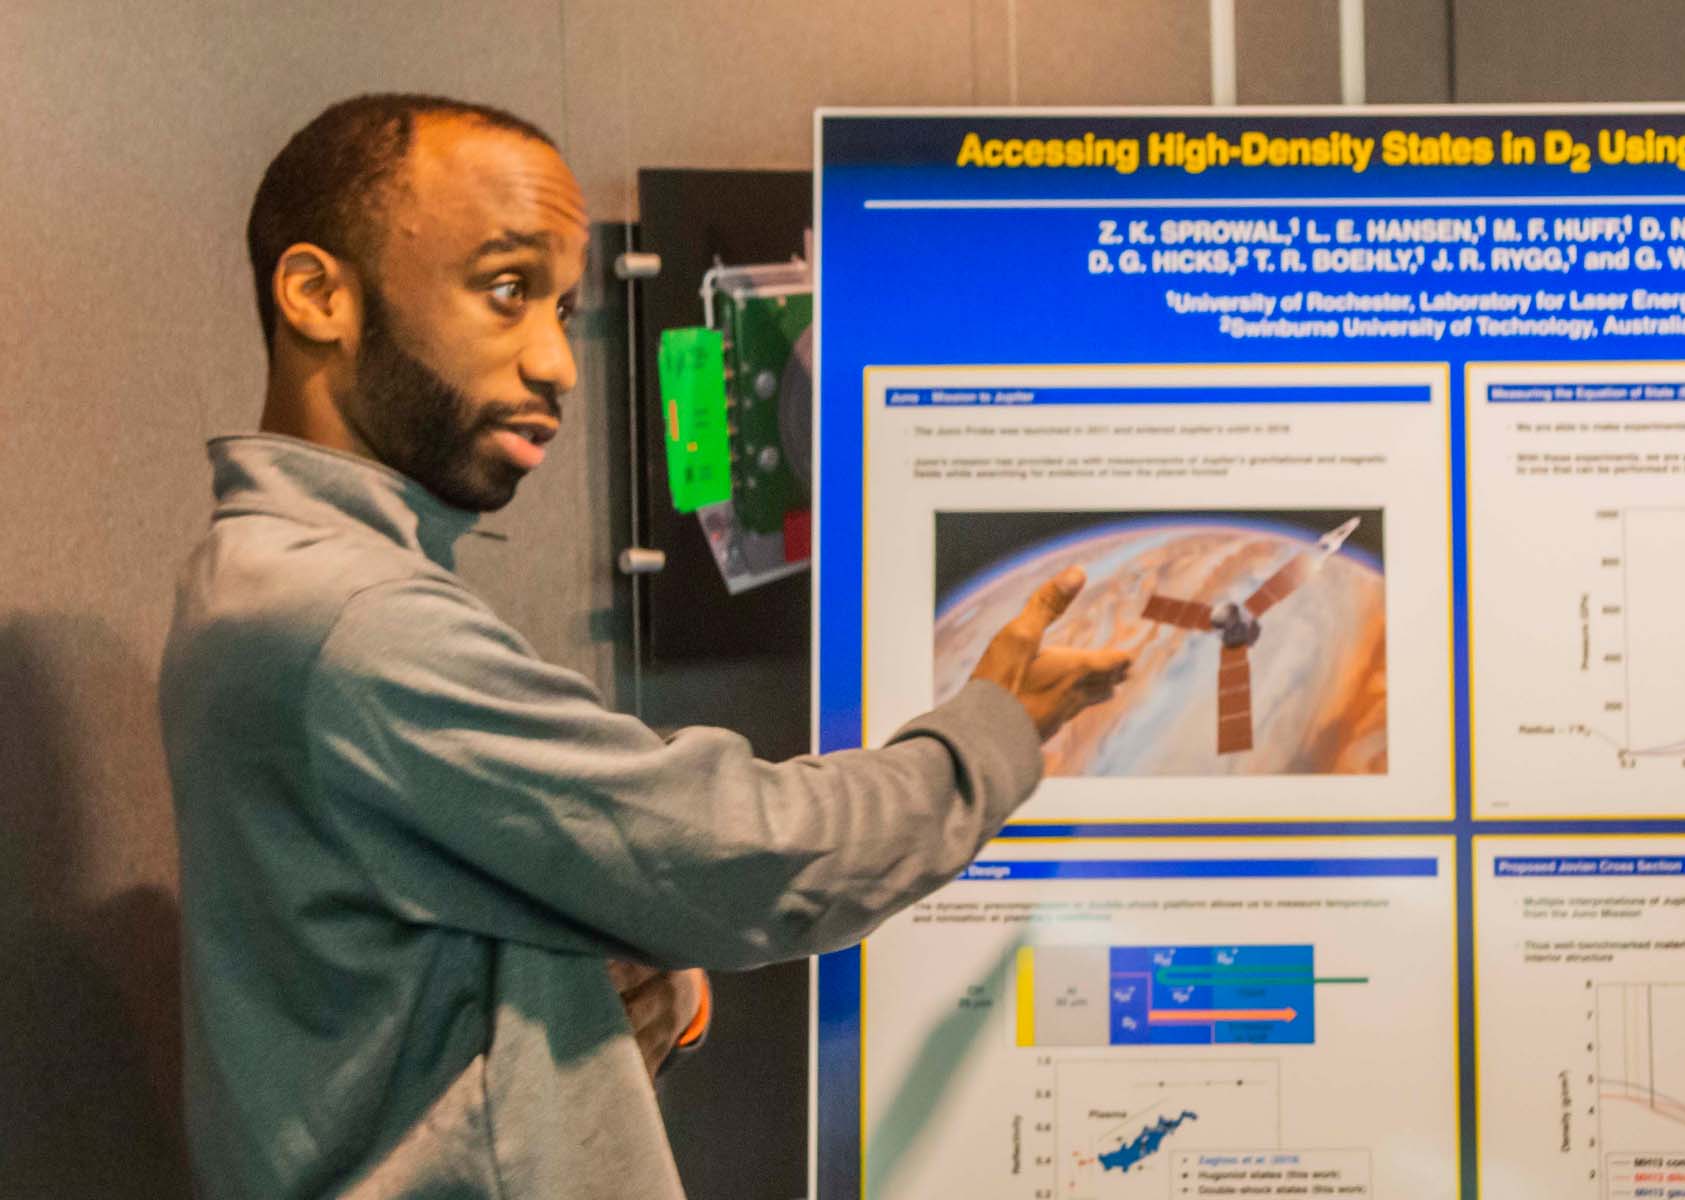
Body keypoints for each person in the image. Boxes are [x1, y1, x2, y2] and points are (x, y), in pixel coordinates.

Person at [158, 93, 1130, 1200]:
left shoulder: (250, 571)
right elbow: (759, 858)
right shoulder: (355, 621)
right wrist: (991, 728)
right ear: (319, 294)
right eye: (507, 291)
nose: (557, 365)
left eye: (563, 310)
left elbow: (445, 952)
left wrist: (619, 968)